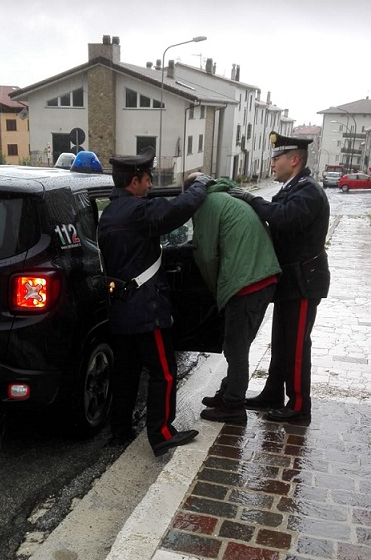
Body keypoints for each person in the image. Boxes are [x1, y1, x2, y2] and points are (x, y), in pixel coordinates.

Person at [98, 146, 213, 457]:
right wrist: (200, 185)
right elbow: (178, 209)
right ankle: (161, 434)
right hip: (147, 309)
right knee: (163, 373)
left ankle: (120, 430)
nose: (150, 186)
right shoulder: (138, 212)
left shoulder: (109, 214)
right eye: (148, 179)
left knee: (127, 372)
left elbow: (134, 254)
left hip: (121, 309)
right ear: (134, 181)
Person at [229, 131, 330, 423]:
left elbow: (284, 217)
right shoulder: (292, 187)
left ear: (294, 159)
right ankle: (273, 393)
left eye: (276, 158)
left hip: (303, 281)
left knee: (297, 345)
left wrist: (250, 199)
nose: (272, 164)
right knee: (281, 341)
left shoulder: (308, 190)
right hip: (291, 280)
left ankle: (299, 406)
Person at [183, 174, 281, 424]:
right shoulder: (229, 196)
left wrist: (217, 291)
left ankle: (233, 405)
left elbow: (205, 257)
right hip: (264, 277)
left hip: (246, 282)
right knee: (238, 343)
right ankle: (228, 390)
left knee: (236, 347)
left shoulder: (207, 206)